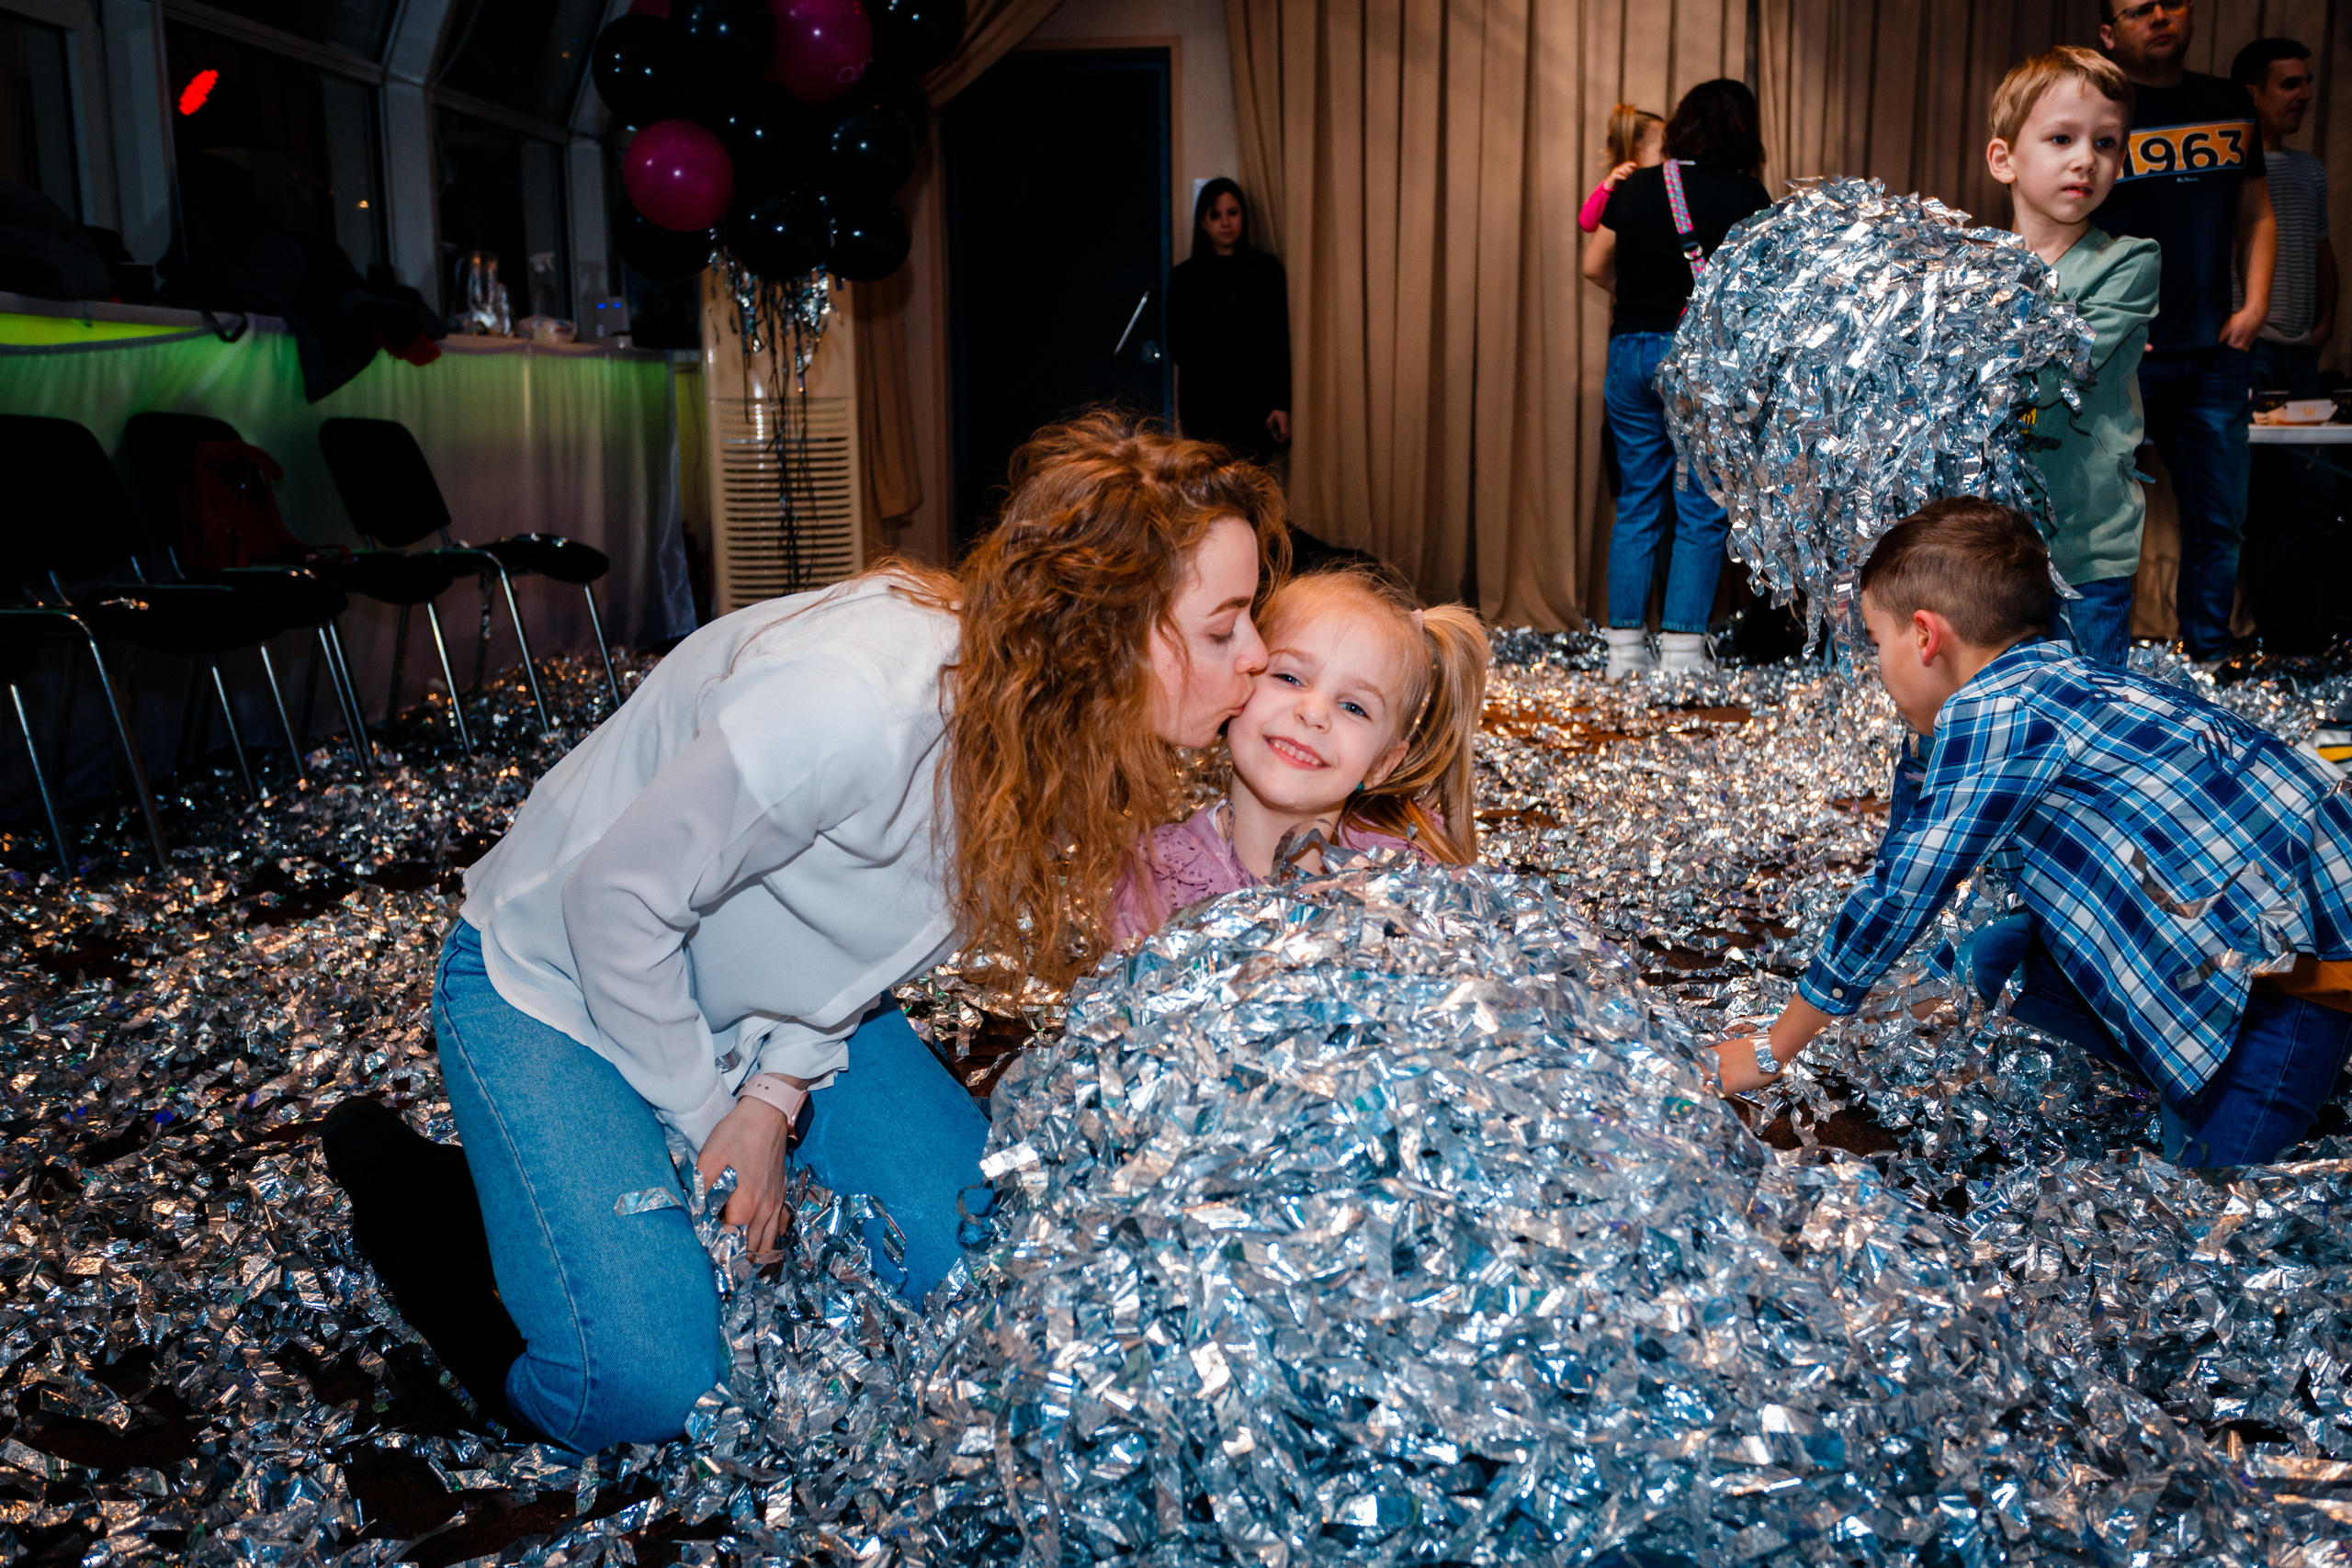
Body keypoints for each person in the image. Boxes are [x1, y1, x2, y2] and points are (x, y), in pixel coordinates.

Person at [322, 413, 1291, 1453]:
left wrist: (773, 1098)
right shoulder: (851, 705)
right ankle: (420, 1184)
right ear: (1108, 624)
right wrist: (712, 1119)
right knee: (643, 1388)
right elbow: (611, 904)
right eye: (1224, 625)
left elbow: (862, 957)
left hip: (757, 1006)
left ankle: (594, 1179)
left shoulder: (1044, 720)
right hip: (554, 978)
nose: (1259, 655)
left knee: (978, 1267)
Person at [1713, 499, 2352, 1168]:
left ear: (1926, 637)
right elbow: (1931, 845)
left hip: (2284, 991)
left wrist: (1773, 1046)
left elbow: (1902, 889)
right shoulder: (2056, 678)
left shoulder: (1999, 713)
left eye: (1877, 642)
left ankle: (2261, 1077)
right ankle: (2191, 1057)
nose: (1878, 667)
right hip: (2265, 931)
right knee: (1990, 958)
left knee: (2206, 1216)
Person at [1112, 569, 1489, 944]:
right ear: (1239, 686)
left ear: (1382, 765)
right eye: (1289, 678)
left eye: (1354, 707)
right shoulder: (1157, 876)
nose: (1313, 713)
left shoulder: (1408, 865)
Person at [2090, 0, 2277, 664]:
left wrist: (2255, 304)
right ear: (2109, 34)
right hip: (2119, 359)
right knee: (2096, 522)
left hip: (2214, 353)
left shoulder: (2230, 102)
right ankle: (2095, 668)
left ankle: (2213, 657)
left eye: (2171, 3)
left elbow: (2256, 209)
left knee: (2219, 519)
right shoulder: (2095, 110)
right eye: (2140, 10)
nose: (2160, 16)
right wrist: (2100, 324)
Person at [1583, 79, 1772, 680]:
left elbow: (1597, 266)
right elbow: (1759, 293)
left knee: (1637, 501)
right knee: (1700, 506)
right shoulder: (1745, 193)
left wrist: (1647, 304)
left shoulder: (1637, 185)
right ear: (1743, 132)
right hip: (1696, 362)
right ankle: (1684, 656)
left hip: (1628, 354)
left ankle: (1622, 655)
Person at [1985, 47, 2160, 667]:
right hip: (1990, 554)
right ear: (2004, 159)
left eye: (2108, 143)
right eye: (2062, 138)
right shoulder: (1973, 276)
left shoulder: (2128, 262)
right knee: (1978, 718)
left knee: (2084, 723)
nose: (2087, 158)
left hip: (2086, 552)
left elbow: (2061, 363)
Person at [2233, 36, 2338, 654]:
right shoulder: (2234, 167)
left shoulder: (2311, 170)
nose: (2303, 95)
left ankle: (2294, 637)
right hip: (2248, 353)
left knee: (2313, 492)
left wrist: (2325, 321)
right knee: (2246, 500)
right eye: (2289, 84)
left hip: (2301, 355)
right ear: (2254, 93)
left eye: (2307, 83)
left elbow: (2323, 251)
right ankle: (2241, 634)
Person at [1167, 179, 1293, 467]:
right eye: (1216, 215)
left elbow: (1279, 341)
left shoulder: (1266, 270)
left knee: (1252, 487)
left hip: (1255, 403)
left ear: (1243, 216)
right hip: (1203, 403)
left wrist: (1281, 403)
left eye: (1232, 213)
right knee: (1206, 488)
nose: (1225, 223)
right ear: (1203, 222)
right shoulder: (1184, 277)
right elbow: (1178, 345)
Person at [1579, 104, 1664, 234]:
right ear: (1637, 152)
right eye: (1665, 150)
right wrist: (1607, 187)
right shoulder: (1616, 187)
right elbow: (1587, 223)